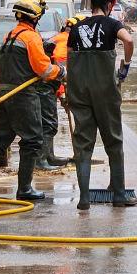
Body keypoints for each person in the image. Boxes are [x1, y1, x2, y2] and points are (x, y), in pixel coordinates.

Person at [0, 0, 65, 201]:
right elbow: (43, 69)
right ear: (35, 17)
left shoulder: (11, 35)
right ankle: (24, 189)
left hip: (4, 94)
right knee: (32, 140)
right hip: (22, 95)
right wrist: (60, 72)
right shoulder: (31, 38)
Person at [67, 0, 136, 209]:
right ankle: (119, 195)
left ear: (90, 1)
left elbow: (69, 57)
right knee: (114, 142)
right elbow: (129, 40)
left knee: (84, 145)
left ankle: (84, 199)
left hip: (80, 92)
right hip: (106, 92)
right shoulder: (111, 24)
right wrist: (124, 65)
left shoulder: (76, 28)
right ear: (110, 3)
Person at [35, 15, 81, 170]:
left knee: (50, 121)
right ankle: (41, 161)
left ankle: (49, 156)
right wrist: (62, 96)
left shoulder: (59, 38)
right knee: (49, 123)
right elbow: (59, 73)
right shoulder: (65, 43)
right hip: (45, 86)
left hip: (47, 85)